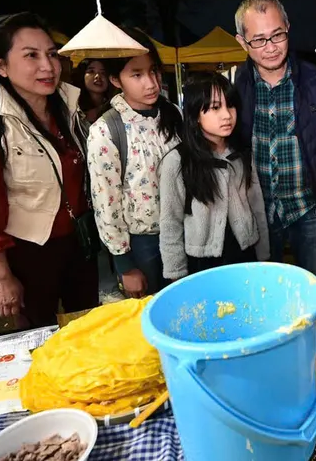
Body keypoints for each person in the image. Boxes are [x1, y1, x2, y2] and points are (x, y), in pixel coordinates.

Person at [0, 13, 98, 328]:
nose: (48, 66)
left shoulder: (70, 110)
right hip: (29, 255)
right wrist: (0, 276)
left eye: (52, 54)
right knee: (37, 338)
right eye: (31, 55)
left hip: (81, 245)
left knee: (87, 330)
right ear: (0, 66)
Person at [233, 0, 316, 280]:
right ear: (242, 42)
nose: (271, 48)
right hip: (257, 211)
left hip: (308, 210)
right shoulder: (234, 85)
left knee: (311, 286)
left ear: (288, 28)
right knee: (262, 289)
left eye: (277, 35)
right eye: (259, 40)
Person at [86, 27, 181, 298]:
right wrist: (125, 265)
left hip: (183, 234)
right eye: (137, 75)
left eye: (154, 71)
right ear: (115, 79)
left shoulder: (173, 114)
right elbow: (106, 202)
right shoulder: (106, 130)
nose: (151, 83)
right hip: (143, 245)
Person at [159, 73, 268, 280]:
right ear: (195, 115)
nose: (227, 115)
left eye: (231, 106)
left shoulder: (242, 153)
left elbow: (256, 205)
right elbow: (170, 222)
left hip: (244, 252)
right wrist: (176, 273)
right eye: (215, 107)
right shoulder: (178, 160)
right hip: (202, 260)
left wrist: (263, 255)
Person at [73, 58, 115, 124]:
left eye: (103, 73)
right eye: (91, 71)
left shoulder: (116, 105)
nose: (98, 76)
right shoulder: (73, 106)